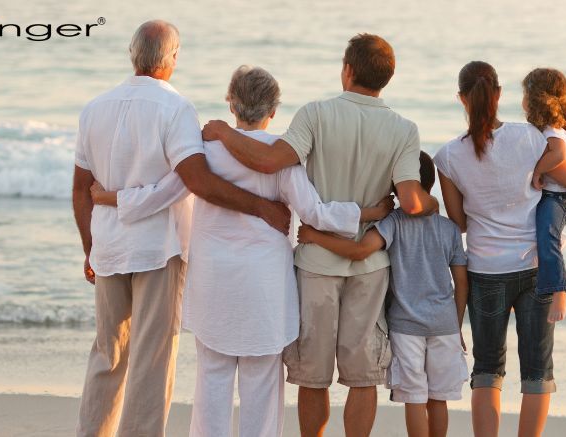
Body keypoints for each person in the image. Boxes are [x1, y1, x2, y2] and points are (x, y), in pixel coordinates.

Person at [91, 65, 393, 437]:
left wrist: (111, 198)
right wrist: (368, 213)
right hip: (263, 287)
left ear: (231, 104)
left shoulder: (205, 152)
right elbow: (316, 213)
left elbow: (163, 194)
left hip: (213, 283)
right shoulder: (283, 160)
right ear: (274, 110)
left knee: (211, 384)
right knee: (262, 390)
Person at [201, 33, 438, 437]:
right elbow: (412, 202)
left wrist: (224, 133)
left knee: (313, 375)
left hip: (315, 262)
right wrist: (435, 207)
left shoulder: (315, 114)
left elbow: (270, 161)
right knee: (362, 376)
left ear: (347, 70)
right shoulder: (404, 129)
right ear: (387, 78)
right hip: (370, 267)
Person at [71, 20, 292, 437]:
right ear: (172, 58)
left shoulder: (94, 108)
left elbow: (81, 189)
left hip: (109, 248)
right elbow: (196, 180)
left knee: (107, 353)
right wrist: (261, 207)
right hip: (158, 248)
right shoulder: (175, 109)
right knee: (152, 357)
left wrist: (90, 247)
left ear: (133, 54)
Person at [297, 152, 469, 437]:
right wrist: (457, 323)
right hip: (445, 326)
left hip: (406, 327)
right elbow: (461, 282)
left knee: (415, 399)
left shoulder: (393, 223)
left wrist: (315, 237)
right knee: (439, 400)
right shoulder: (450, 230)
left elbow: (360, 251)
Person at [433, 61, 556, 437]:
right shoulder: (531, 137)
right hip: (535, 265)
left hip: (485, 269)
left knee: (487, 368)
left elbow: (459, 222)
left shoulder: (448, 156)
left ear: (461, 98)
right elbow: (555, 188)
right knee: (537, 370)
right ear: (499, 94)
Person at [522, 68, 566, 323]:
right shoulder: (545, 128)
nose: (522, 100)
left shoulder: (553, 129)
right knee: (531, 239)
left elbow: (560, 155)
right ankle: (526, 290)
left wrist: (538, 171)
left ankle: (559, 290)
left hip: (558, 197)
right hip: (550, 195)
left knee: (546, 236)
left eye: (525, 93)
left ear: (536, 97)